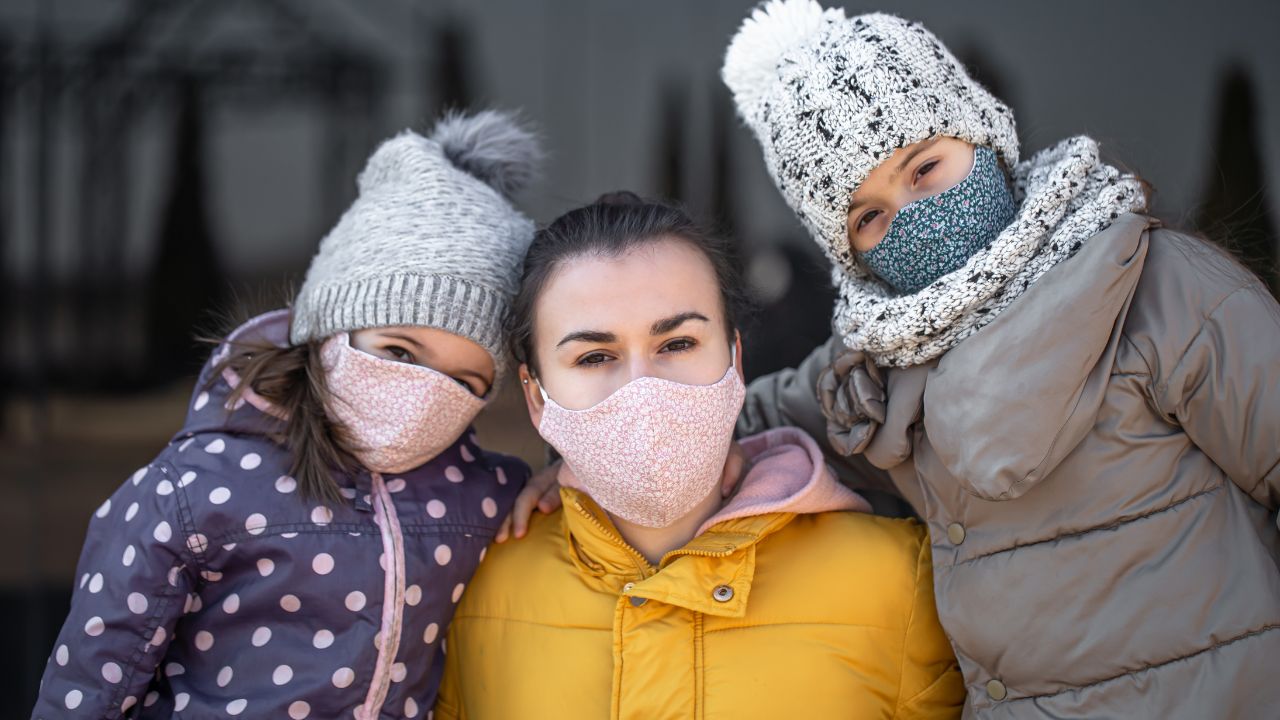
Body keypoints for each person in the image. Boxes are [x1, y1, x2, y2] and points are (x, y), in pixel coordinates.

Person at [720, 2, 1280, 717]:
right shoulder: (875, 372)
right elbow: (729, 425)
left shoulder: (1159, 288)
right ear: (850, 255)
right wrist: (578, 463)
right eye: (869, 216)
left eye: (924, 167)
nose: (913, 214)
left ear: (983, 138)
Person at [32, 110, 540, 719]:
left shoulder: (488, 497)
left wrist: (561, 477)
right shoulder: (192, 490)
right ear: (325, 328)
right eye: (400, 351)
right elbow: (91, 684)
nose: (426, 391)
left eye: (465, 379)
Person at [435, 193, 964, 719]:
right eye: (594, 356)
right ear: (535, 394)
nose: (642, 387)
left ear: (734, 358)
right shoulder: (476, 586)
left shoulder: (899, 580)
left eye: (678, 343)